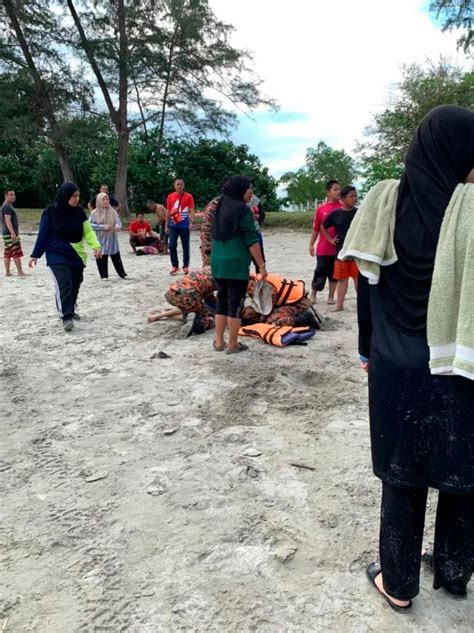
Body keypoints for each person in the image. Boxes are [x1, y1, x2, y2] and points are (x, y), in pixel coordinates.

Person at [342, 106, 474, 611]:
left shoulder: (384, 201)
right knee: (465, 468)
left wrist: (365, 350)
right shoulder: (471, 211)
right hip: (460, 363)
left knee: (402, 474)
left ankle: (397, 584)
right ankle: (456, 573)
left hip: (395, 364)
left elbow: (366, 289)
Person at [29, 182, 101, 331]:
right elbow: (43, 233)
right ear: (65, 195)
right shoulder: (50, 211)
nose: (76, 199)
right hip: (56, 253)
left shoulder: (79, 212)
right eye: (74, 196)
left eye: (78, 196)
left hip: (76, 253)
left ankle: (71, 309)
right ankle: (66, 317)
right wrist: (35, 254)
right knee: (64, 283)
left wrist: (96, 246)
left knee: (76, 283)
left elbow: (88, 232)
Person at [211, 175, 266, 353]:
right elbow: (252, 241)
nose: (251, 192)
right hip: (235, 265)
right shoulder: (243, 211)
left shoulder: (219, 207)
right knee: (235, 304)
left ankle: (219, 342)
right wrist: (262, 266)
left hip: (218, 262)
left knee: (222, 301)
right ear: (239, 190)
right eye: (248, 189)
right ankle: (233, 345)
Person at [147, 266, 216, 337]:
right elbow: (210, 294)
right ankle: (195, 323)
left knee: (189, 308)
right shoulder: (221, 278)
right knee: (208, 320)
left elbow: (207, 291)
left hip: (173, 292)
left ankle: (160, 315)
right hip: (189, 297)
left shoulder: (208, 268)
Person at [321, 185, 358, 311]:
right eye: (351, 196)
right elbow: (323, 226)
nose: (354, 198)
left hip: (356, 251)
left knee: (358, 279)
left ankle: (362, 303)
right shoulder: (335, 214)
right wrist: (330, 239)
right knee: (342, 279)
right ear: (343, 199)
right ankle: (339, 305)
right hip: (341, 251)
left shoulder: (358, 213)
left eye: (355, 196)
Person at [308, 179, 341, 304]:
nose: (338, 191)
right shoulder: (321, 209)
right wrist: (311, 244)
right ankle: (313, 294)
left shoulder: (343, 207)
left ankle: (331, 296)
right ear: (328, 192)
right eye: (335, 189)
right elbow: (316, 229)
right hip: (323, 248)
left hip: (338, 248)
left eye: (339, 189)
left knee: (334, 274)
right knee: (319, 271)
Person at [90, 192, 127, 280]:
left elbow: (118, 221)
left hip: (112, 238)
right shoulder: (94, 213)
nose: (106, 201)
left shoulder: (113, 211)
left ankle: (122, 274)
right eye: (103, 199)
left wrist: (118, 226)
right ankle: (104, 275)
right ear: (99, 201)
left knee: (116, 256)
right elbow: (90, 225)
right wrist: (102, 227)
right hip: (100, 238)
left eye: (107, 199)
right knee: (101, 256)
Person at [166, 178, 195, 275]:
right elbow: (168, 211)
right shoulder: (170, 197)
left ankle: (185, 266)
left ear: (184, 185)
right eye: (177, 184)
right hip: (173, 225)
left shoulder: (189, 196)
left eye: (181, 184)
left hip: (184, 225)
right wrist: (166, 225)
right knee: (172, 245)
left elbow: (191, 210)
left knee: (185, 246)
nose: (179, 186)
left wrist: (191, 222)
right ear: (174, 186)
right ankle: (175, 266)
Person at [2, 188, 27, 277]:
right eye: (11, 195)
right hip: (9, 233)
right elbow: (7, 220)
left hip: (6, 232)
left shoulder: (6, 205)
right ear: (6, 195)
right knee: (16, 251)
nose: (13, 196)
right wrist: (13, 233)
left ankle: (8, 272)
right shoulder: (7, 206)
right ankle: (20, 272)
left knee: (8, 251)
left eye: (14, 194)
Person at [249, 194, 266, 273]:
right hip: (242, 233)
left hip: (256, 231)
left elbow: (262, 214)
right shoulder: (236, 200)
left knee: (260, 260)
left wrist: (258, 216)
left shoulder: (255, 199)